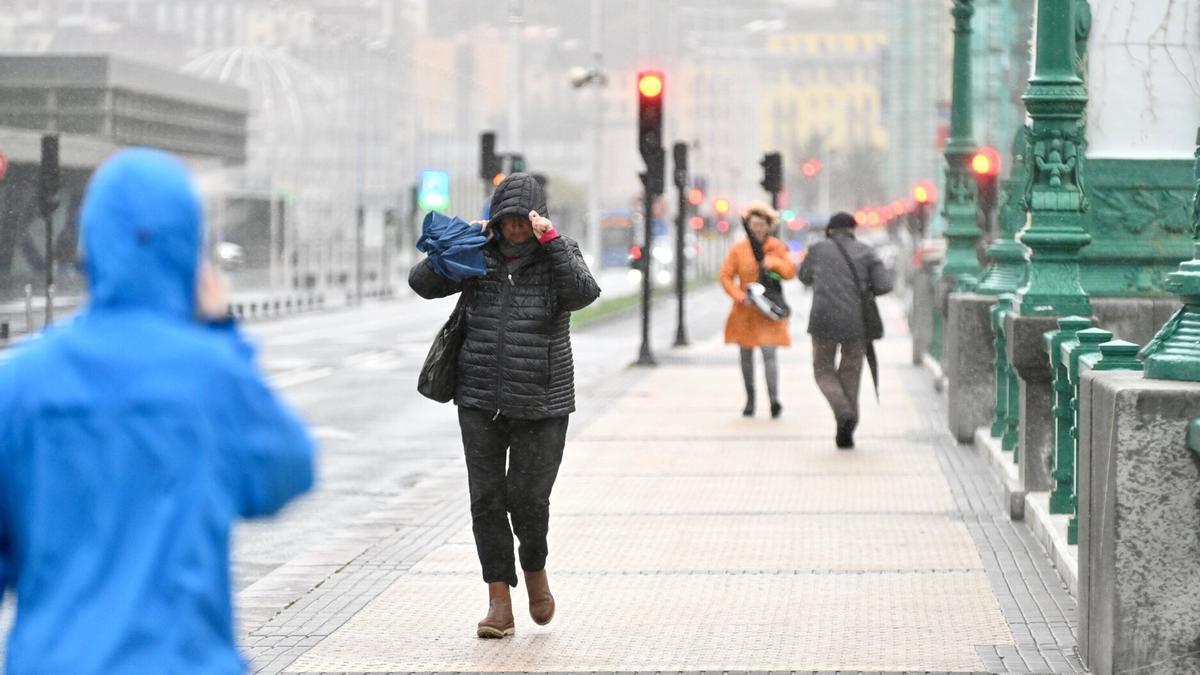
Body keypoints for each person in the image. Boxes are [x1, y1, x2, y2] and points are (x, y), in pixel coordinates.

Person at [0, 148, 316, 675]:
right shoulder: (210, 374)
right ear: (188, 249)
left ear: (90, 243)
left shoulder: (19, 382)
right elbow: (286, 469)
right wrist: (221, 334)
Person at [408, 173, 600, 639]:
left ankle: (535, 571)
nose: (514, 229)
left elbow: (583, 293)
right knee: (487, 501)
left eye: (522, 220)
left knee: (528, 501)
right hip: (478, 397)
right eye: (506, 220)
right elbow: (422, 283)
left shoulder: (561, 251)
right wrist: (463, 238)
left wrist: (550, 241)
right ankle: (499, 601)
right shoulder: (480, 253)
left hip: (542, 400)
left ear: (537, 219)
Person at [799, 211, 893, 448]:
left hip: (823, 321)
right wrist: (863, 287)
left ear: (829, 230)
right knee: (851, 373)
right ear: (853, 229)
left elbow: (804, 277)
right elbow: (884, 285)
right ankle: (847, 428)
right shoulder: (866, 251)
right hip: (856, 322)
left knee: (823, 370)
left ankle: (843, 413)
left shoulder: (817, 249)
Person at [719, 201, 797, 418]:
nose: (758, 229)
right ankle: (750, 399)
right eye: (754, 225)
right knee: (746, 357)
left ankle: (774, 400)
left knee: (769, 355)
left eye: (762, 225)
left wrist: (772, 263)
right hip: (745, 312)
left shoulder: (776, 247)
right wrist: (739, 296)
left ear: (768, 226)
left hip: (769, 311)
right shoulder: (739, 250)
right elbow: (725, 275)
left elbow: (790, 271)